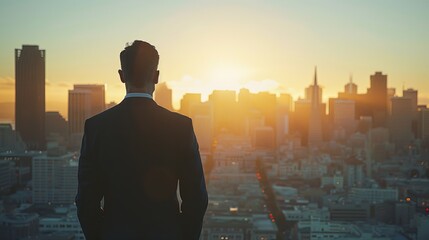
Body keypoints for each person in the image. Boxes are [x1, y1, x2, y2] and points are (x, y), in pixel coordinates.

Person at [75, 40, 208, 240]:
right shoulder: (181, 127)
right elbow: (196, 199)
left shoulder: (96, 127)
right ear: (156, 76)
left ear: (121, 76)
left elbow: (86, 201)